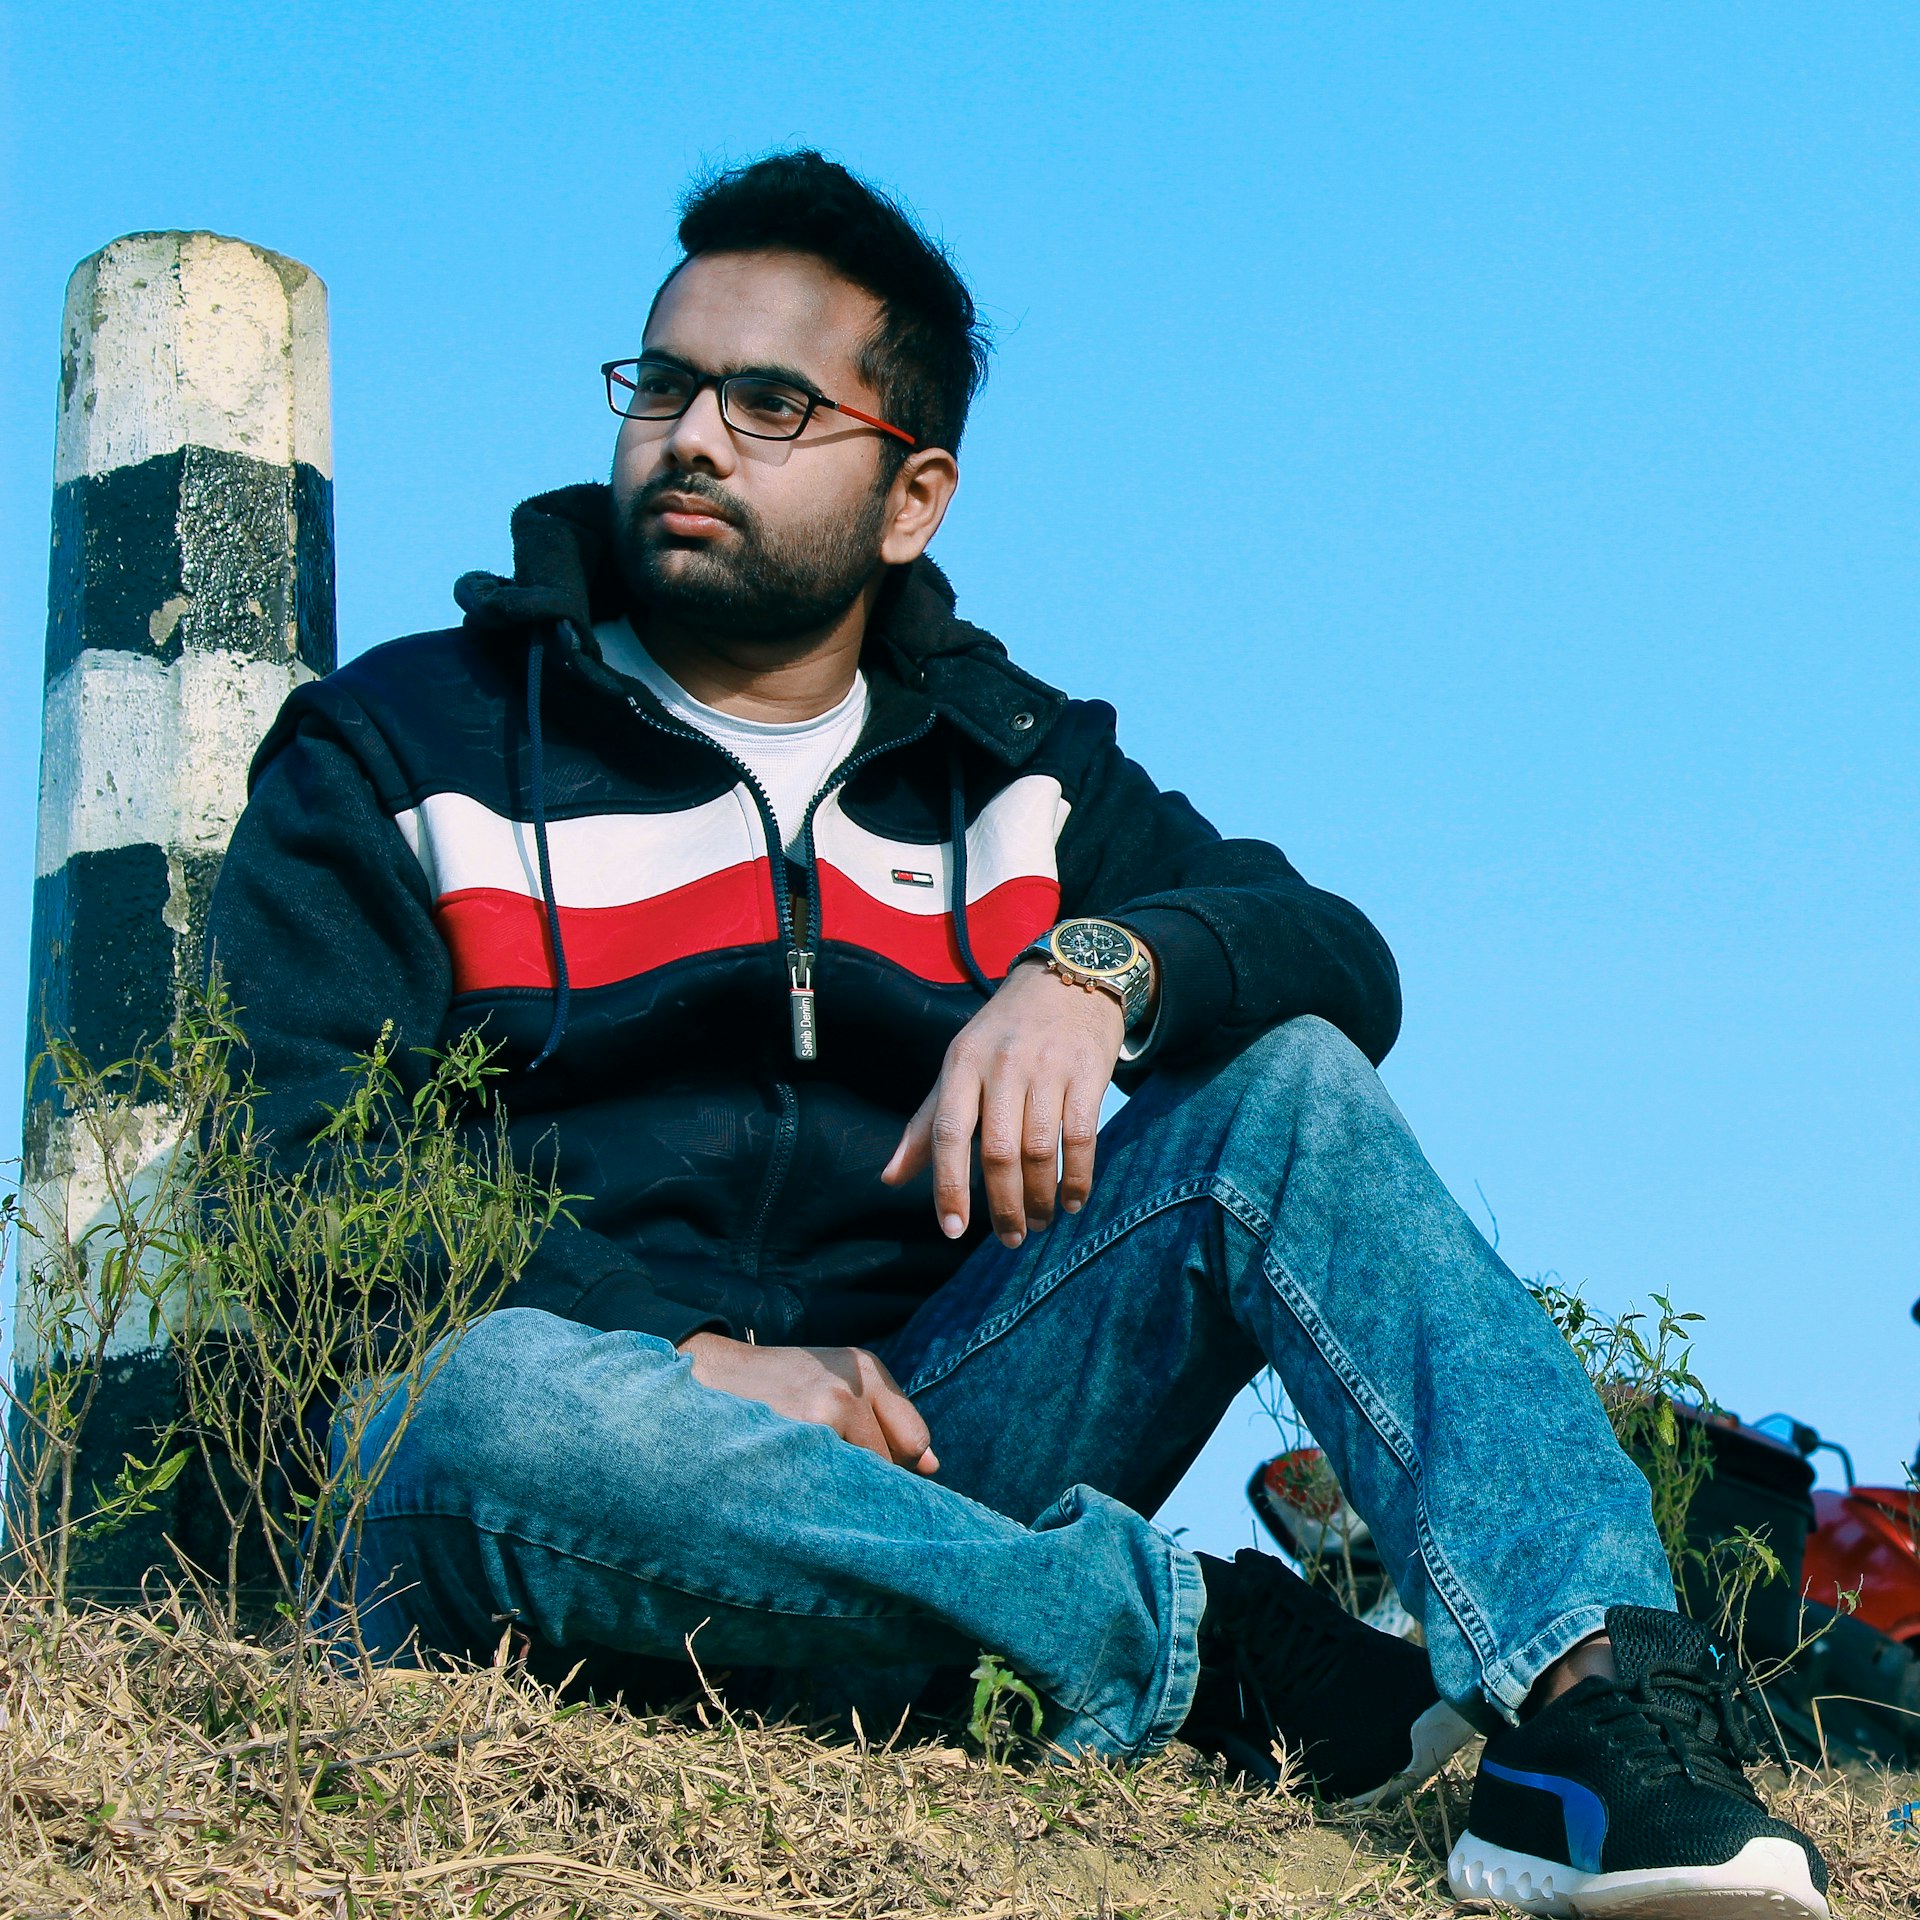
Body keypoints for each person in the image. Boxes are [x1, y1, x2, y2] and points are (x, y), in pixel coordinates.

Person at [207, 152, 1829, 1917]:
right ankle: (1205, 1650)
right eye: (665, 385)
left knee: (1286, 1086)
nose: (690, 436)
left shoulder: (1023, 764)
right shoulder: (398, 741)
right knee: (494, 1402)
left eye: (769, 402)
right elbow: (298, 1184)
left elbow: (1337, 952)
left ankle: (1599, 1723)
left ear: (913, 498)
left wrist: (1098, 966)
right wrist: (676, 1356)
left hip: (930, 1439)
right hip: (559, 1463)